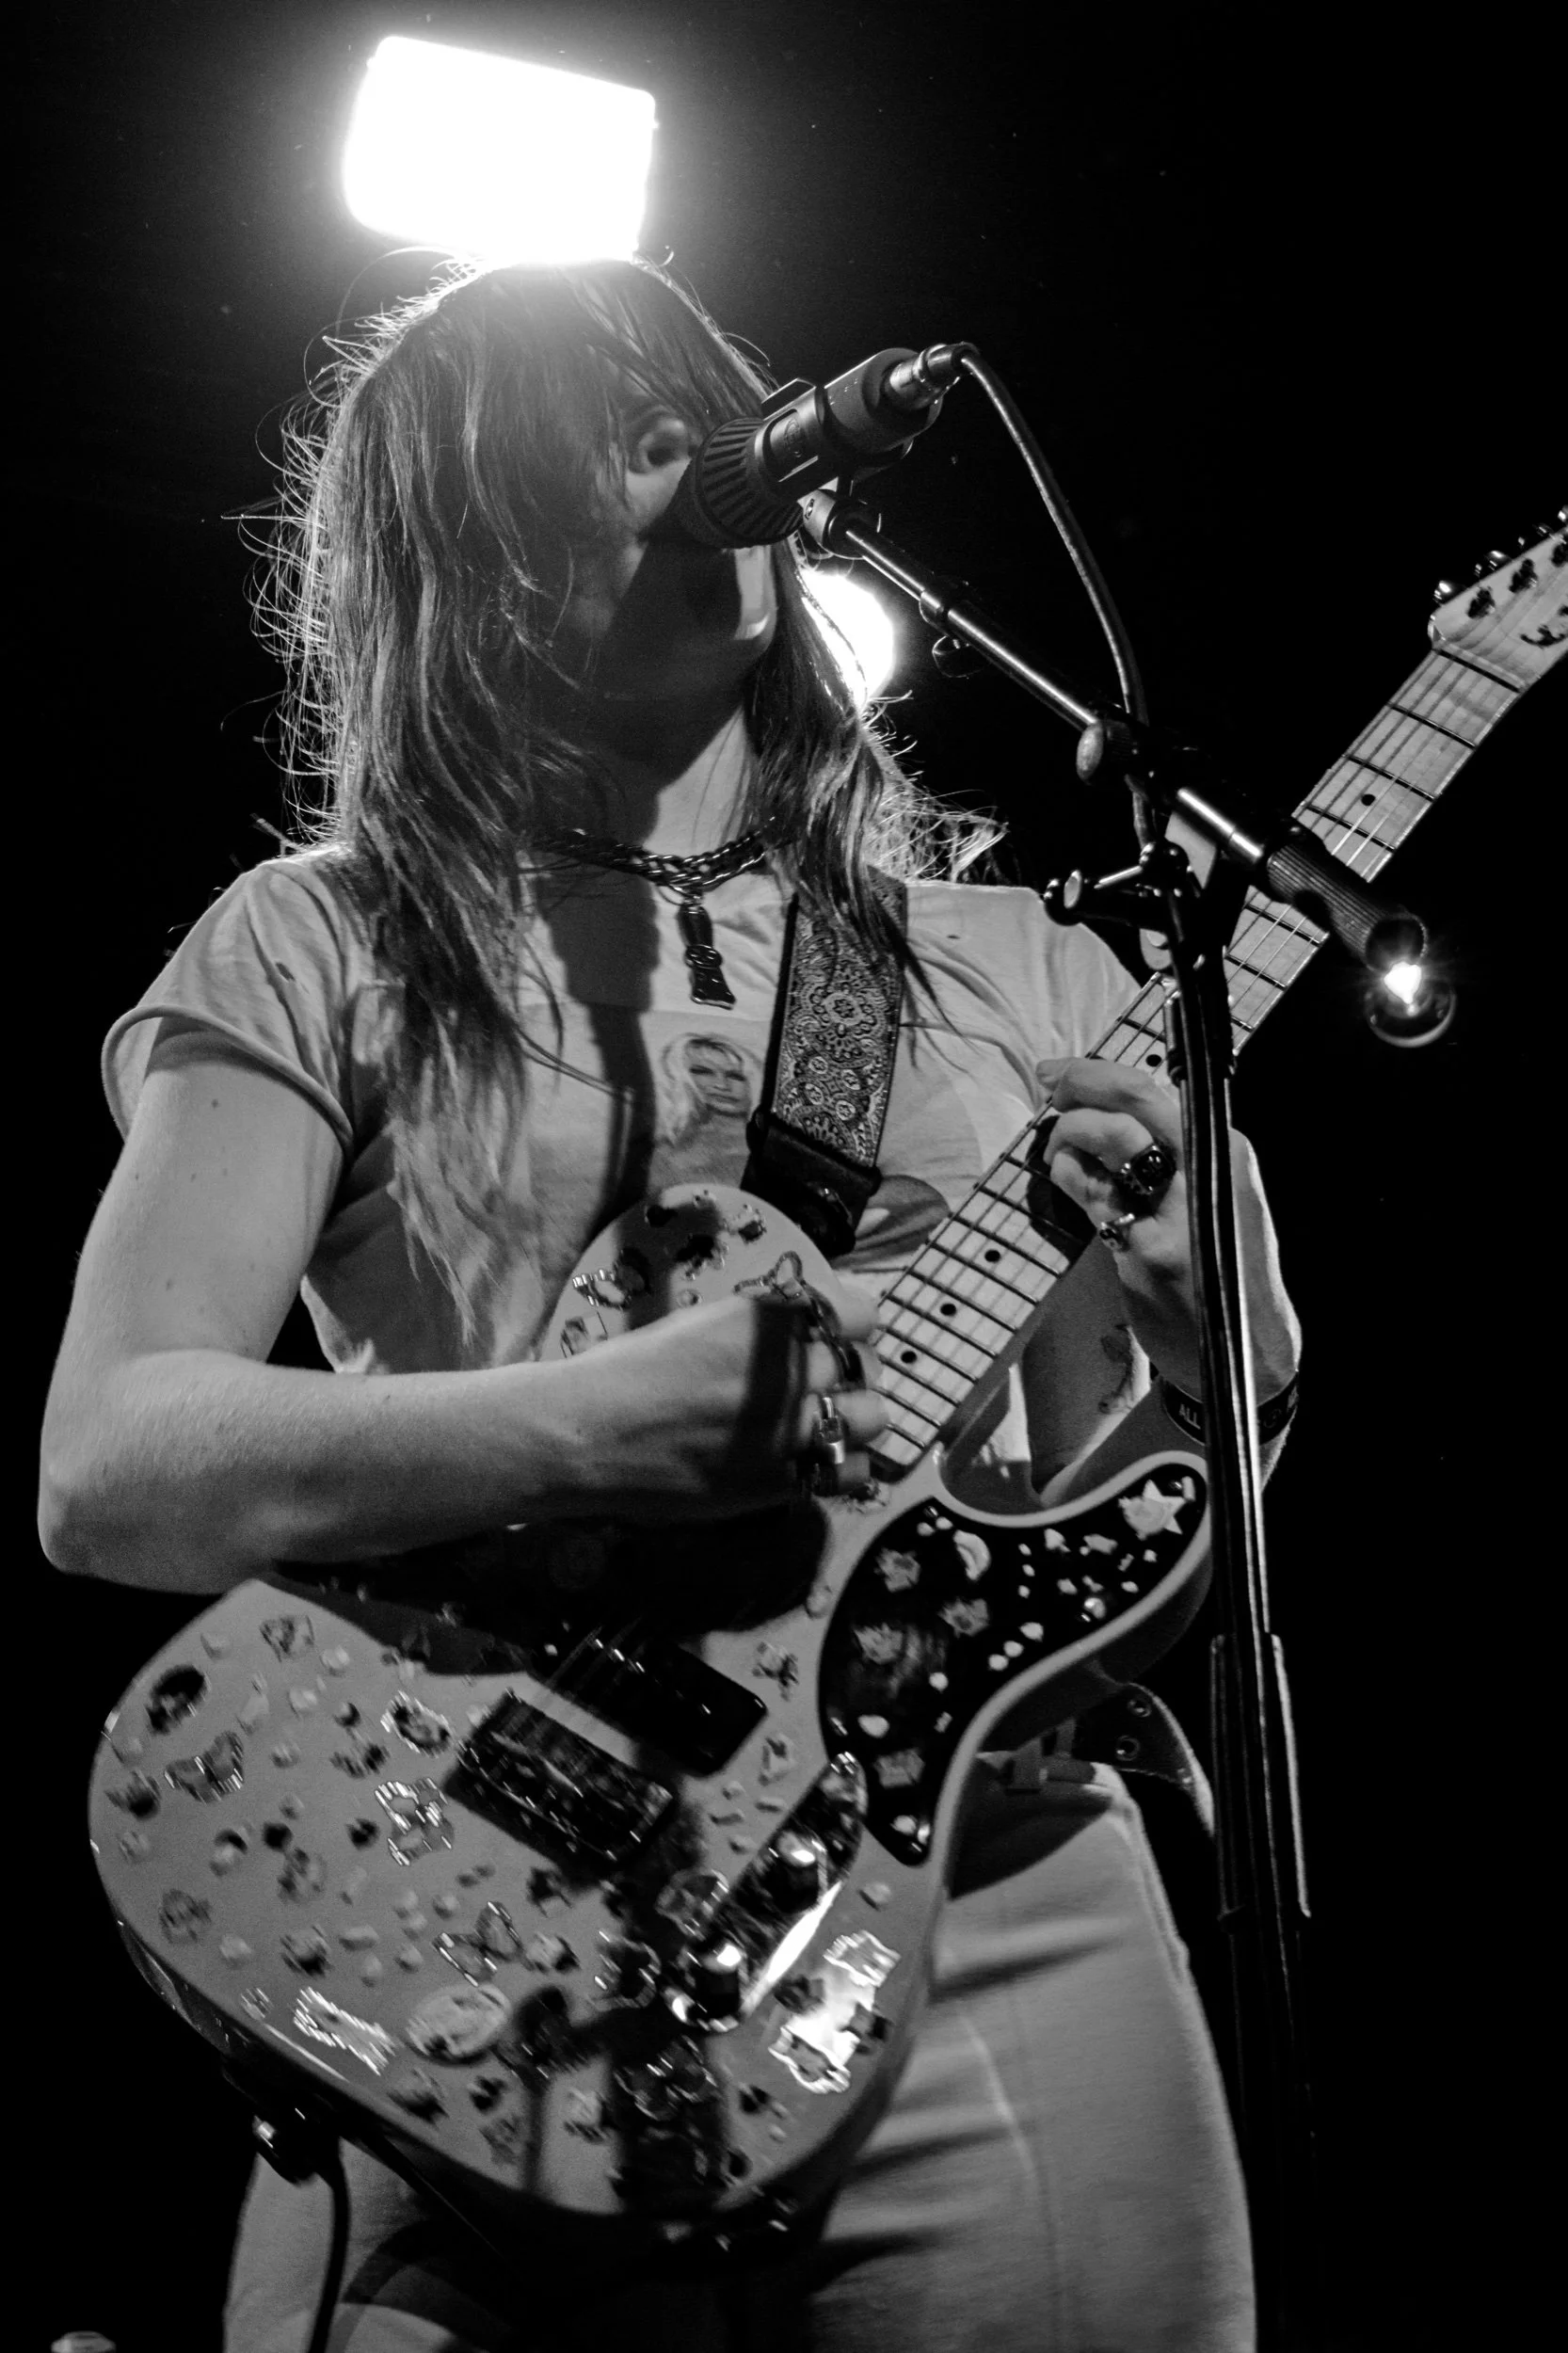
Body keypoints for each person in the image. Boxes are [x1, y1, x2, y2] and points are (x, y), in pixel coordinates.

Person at [40, 260, 1301, 2352]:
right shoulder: (324, 937)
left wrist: (1220, 1333)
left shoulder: (1036, 966)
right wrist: (585, 1423)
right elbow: (110, 1464)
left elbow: (1134, 1528)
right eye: (600, 414)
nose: (678, 438)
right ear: (454, 535)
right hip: (474, 1887)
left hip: (986, 1877)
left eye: (692, 400)